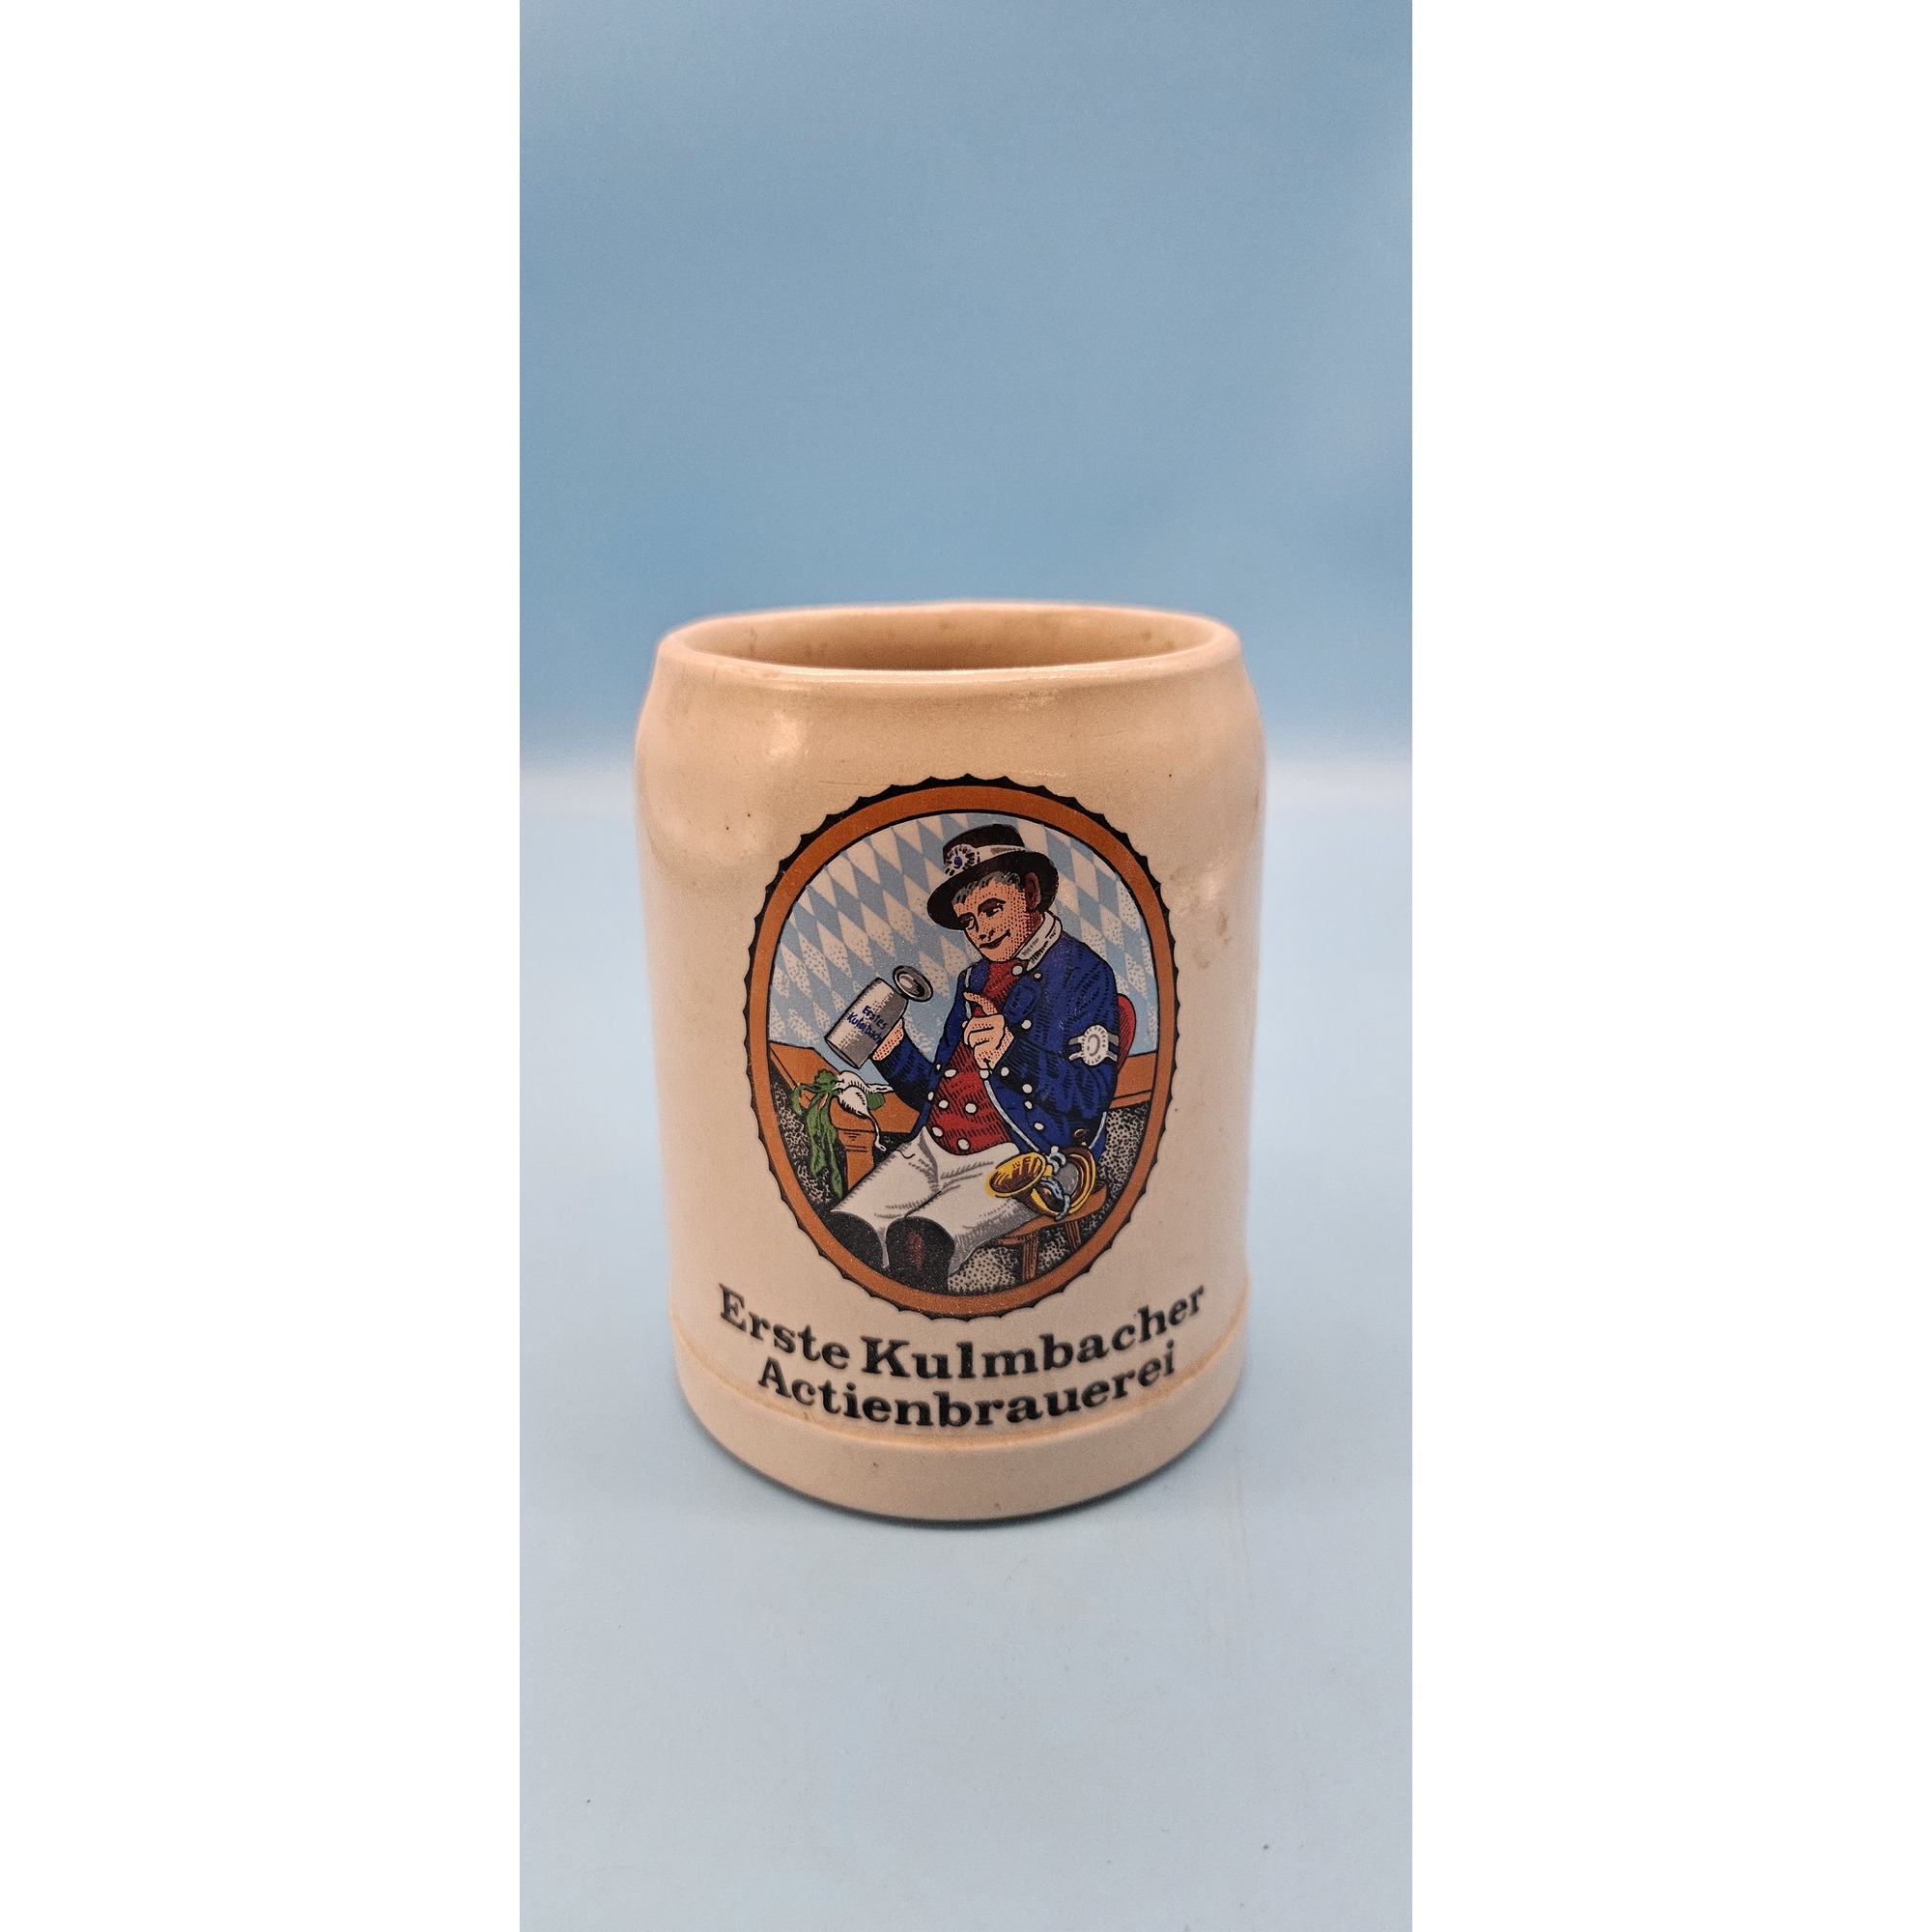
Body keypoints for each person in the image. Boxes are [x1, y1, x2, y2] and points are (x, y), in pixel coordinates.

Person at [824, 825, 1124, 1291]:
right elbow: (938, 1090)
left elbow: (1089, 1097)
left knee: (919, 1243)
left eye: (991, 909)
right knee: (848, 1230)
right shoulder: (973, 979)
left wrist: (1010, 1052)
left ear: (1029, 893)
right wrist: (894, 1051)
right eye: (968, 920)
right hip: (930, 1149)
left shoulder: (1084, 973)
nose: (981, 930)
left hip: (1022, 1154)